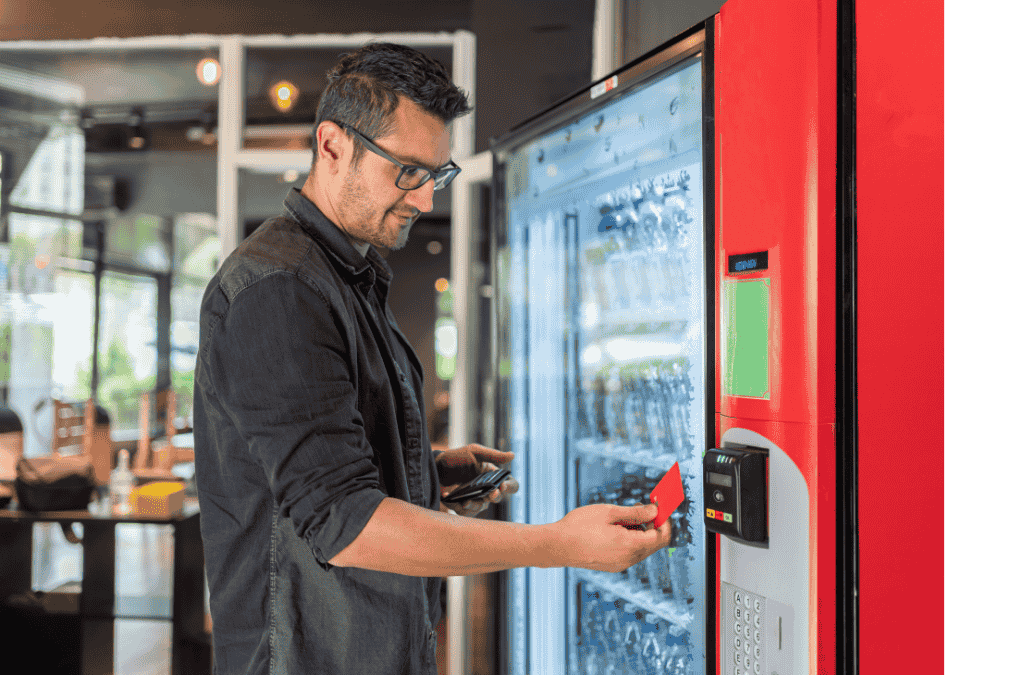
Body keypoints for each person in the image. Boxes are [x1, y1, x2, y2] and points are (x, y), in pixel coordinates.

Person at [193, 42, 671, 675]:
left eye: (436, 176)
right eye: (407, 171)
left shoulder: (348, 276)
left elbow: (313, 465)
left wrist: (420, 469)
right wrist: (558, 544)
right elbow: (345, 522)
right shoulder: (279, 290)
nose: (424, 200)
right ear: (333, 146)